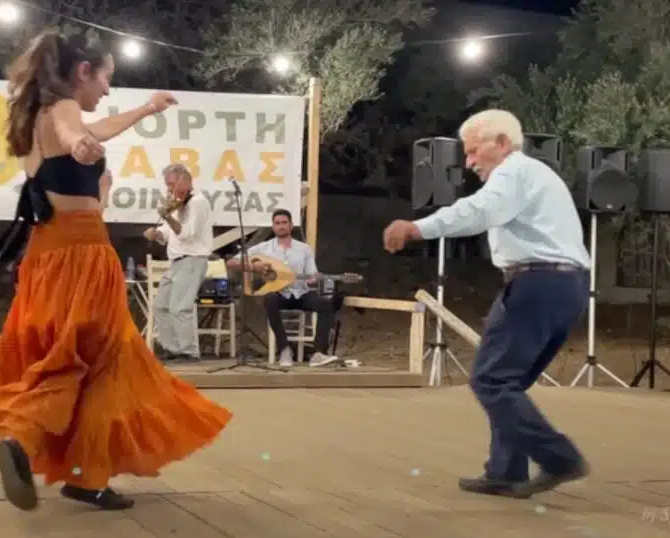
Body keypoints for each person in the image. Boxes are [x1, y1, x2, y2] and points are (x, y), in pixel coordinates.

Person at [0, 28, 232, 513]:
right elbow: (77, 134)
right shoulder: (63, 109)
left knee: (78, 356)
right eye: (105, 78)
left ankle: (83, 473)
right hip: (83, 255)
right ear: (82, 72)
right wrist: (81, 147)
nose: (107, 89)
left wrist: (145, 111)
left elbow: (94, 130)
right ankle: (21, 436)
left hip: (46, 255)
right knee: (94, 360)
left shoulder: (36, 116)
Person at [383, 109, 591, 499]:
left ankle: (559, 457)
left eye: (473, 151)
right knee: (509, 382)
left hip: (537, 282)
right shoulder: (536, 175)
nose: (469, 162)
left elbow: (479, 211)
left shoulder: (514, 171)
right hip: (567, 285)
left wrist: (417, 227)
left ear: (502, 143)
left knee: (491, 380)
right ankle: (505, 471)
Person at [227, 209, 339, 368]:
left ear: (291, 225)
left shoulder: (304, 249)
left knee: (326, 304)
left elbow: (311, 276)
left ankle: (318, 353)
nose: (281, 226)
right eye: (277, 223)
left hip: (300, 294)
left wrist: (313, 279)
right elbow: (231, 262)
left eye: (284, 223)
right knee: (270, 299)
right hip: (279, 295)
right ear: (273, 227)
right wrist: (254, 267)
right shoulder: (264, 248)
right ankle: (284, 349)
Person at [143, 164, 213, 362]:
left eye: (172, 184)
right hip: (176, 261)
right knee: (160, 306)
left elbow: (186, 233)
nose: (169, 189)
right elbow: (169, 232)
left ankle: (189, 351)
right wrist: (156, 233)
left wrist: (167, 216)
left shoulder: (198, 202)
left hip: (192, 259)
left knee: (180, 307)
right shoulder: (178, 204)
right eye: (167, 185)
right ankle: (172, 348)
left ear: (186, 181)